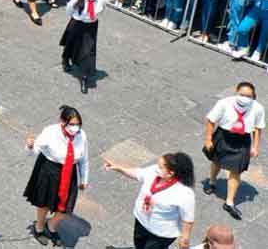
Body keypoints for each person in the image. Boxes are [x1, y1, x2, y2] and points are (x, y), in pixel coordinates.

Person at [23, 105, 90, 246]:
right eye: (72, 124)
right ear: (62, 121)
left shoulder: (81, 135)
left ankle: (51, 226)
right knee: (44, 204)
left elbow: (83, 159)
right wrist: (29, 146)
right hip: (49, 170)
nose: (75, 127)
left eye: (78, 124)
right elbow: (35, 150)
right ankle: (39, 228)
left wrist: (84, 179)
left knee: (65, 209)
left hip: (69, 173)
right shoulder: (50, 132)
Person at [104, 152, 195, 249]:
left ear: (170, 173)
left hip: (161, 234)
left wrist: (185, 238)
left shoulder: (185, 193)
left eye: (160, 167)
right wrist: (118, 168)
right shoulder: (153, 172)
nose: (156, 168)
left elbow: (188, 219)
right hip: (141, 222)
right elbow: (137, 173)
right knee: (139, 245)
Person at [203, 81, 264, 220]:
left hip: (242, 141)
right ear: (236, 92)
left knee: (236, 171)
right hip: (224, 136)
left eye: (249, 96)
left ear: (253, 97)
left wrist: (255, 146)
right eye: (242, 94)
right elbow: (211, 120)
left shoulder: (258, 108)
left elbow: (258, 128)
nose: (245, 98)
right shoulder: (224, 103)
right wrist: (208, 139)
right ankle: (212, 182)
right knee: (216, 162)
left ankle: (229, 202)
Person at [61, 0, 107, 93]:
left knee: (88, 51)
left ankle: (84, 78)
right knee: (71, 45)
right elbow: (69, 10)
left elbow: (101, 10)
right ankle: (65, 59)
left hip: (91, 26)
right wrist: (76, 17)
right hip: (77, 24)